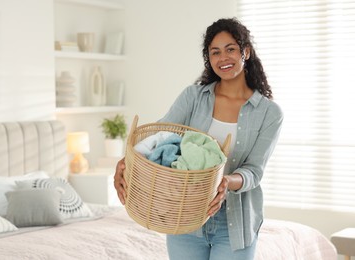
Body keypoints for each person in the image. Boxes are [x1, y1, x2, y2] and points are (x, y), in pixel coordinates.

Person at [114, 17, 283, 260]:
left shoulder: (269, 113)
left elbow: (254, 171)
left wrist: (225, 182)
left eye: (230, 49)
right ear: (209, 59)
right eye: (215, 52)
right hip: (185, 217)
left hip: (234, 223)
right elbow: (160, 137)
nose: (223, 58)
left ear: (245, 52)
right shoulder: (193, 97)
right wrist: (126, 162)